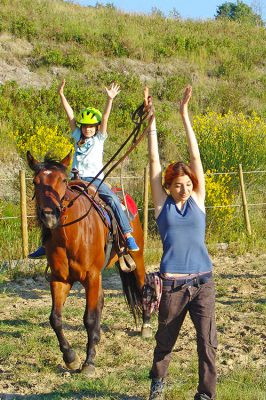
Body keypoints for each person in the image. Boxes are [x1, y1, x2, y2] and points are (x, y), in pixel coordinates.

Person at [146, 85, 217, 400]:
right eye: (178, 185)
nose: (185, 189)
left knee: (208, 342)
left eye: (189, 184)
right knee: (164, 342)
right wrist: (151, 121)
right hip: (172, 285)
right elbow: (154, 162)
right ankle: (158, 386)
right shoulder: (163, 206)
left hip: (203, 282)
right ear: (169, 186)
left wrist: (184, 114)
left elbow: (195, 155)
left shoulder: (199, 200)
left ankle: (205, 394)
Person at [28, 79, 139, 259]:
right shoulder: (77, 136)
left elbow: (105, 118)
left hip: (95, 180)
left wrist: (109, 99)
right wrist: (62, 95)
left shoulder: (99, 139)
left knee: (111, 199)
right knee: (53, 204)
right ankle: (46, 243)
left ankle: (127, 234)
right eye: (85, 126)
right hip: (74, 180)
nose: (88, 129)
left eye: (91, 126)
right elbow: (70, 115)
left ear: (96, 128)